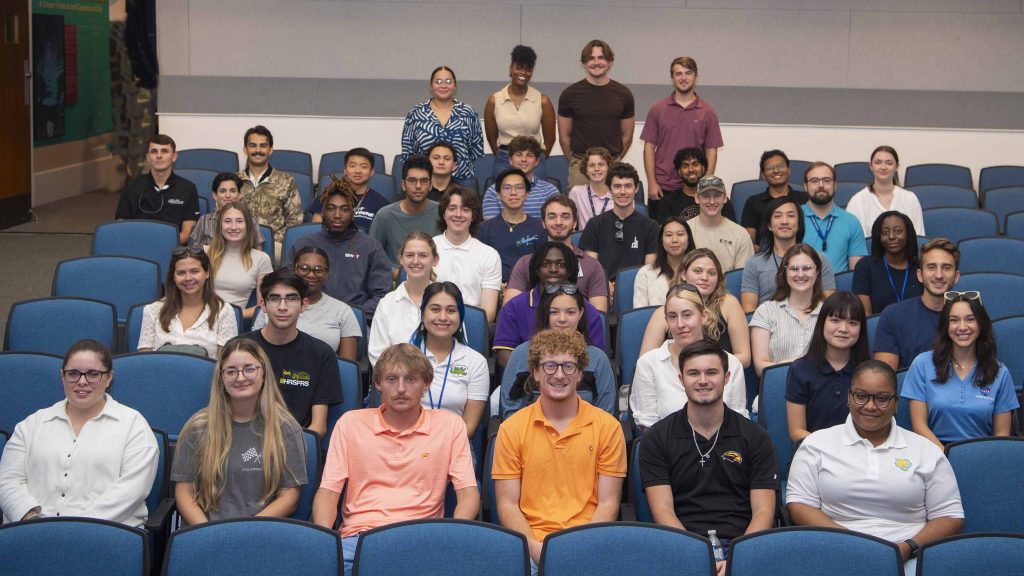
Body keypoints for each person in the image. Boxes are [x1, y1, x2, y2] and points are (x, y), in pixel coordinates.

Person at [312, 344, 479, 576]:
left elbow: (468, 495)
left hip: (423, 539)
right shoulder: (350, 423)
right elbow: (329, 492)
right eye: (391, 379)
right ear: (378, 383)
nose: (401, 388)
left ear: (426, 384)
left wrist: (447, 540)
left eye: (411, 379)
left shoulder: (450, 425)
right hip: (359, 538)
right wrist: (323, 545)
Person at [787, 360, 964, 571]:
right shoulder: (816, 444)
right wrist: (848, 543)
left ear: (896, 403)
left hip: (906, 556)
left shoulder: (926, 451)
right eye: (861, 396)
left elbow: (949, 516)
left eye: (882, 399)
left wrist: (907, 547)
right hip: (835, 550)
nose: (870, 406)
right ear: (849, 397)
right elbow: (799, 504)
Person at [493, 329, 626, 571]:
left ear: (579, 374)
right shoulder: (511, 429)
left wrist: (577, 550)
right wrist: (537, 550)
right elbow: (507, 505)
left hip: (589, 545)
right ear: (535, 372)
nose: (559, 375)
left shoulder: (608, 427)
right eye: (549, 366)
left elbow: (608, 503)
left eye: (568, 366)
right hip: (531, 547)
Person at [640, 341, 776, 574]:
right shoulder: (657, 438)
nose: (703, 380)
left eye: (711, 372)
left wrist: (738, 558)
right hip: (680, 545)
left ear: (726, 377)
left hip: (742, 545)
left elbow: (763, 512)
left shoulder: (756, 437)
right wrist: (696, 557)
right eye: (693, 373)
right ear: (681, 379)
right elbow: (662, 510)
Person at [0, 339, 158, 526]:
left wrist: (77, 529)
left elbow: (133, 489)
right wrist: (32, 521)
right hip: (32, 532)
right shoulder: (32, 424)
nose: (82, 382)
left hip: (106, 534)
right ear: (62, 376)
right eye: (73, 374)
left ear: (109, 378)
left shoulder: (134, 425)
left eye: (93, 374)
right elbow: (7, 480)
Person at [172, 338, 308, 524]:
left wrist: (243, 532)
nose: (241, 377)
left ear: (264, 373)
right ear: (221, 377)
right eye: (231, 371)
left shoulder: (285, 428)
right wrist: (205, 532)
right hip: (205, 531)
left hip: (260, 531)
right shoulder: (197, 428)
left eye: (250, 369)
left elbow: (289, 497)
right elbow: (184, 493)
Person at [901, 293, 1018, 448]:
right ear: (945, 326)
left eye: (970, 319)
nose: (962, 327)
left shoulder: (1000, 372)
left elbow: (1001, 435)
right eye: (954, 320)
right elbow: (919, 427)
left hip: (983, 457)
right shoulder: (922, 364)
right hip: (934, 454)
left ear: (981, 324)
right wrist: (948, 458)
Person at [236, 270, 342, 440]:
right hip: (242, 441)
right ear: (263, 304)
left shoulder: (321, 354)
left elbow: (318, 427)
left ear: (304, 305)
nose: (283, 307)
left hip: (293, 445)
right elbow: (224, 411)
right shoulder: (238, 349)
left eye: (292, 299)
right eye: (275, 298)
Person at [631, 284, 748, 431]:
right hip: (668, 450)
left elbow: (737, 422)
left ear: (704, 316)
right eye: (672, 317)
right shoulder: (649, 364)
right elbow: (647, 427)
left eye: (687, 315)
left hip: (721, 448)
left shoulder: (731, 363)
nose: (680, 324)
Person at [500, 287, 616, 418]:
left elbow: (605, 416)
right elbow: (511, 414)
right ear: (545, 314)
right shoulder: (521, 355)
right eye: (554, 312)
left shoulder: (598, 359)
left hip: (587, 436)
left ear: (581, 313)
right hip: (530, 435)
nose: (562, 319)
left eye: (570, 312)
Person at [287, 178, 391, 322]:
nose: (337, 215)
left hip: (355, 320)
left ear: (353, 213)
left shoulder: (371, 247)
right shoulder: (302, 245)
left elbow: (382, 295)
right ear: (322, 212)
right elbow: (286, 286)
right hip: (307, 318)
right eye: (331, 208)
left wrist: (354, 315)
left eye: (345, 209)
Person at [494, 245, 606, 366]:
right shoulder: (514, 306)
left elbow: (595, 359)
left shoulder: (587, 310)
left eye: (561, 265)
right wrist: (543, 374)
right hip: (527, 379)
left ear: (570, 271)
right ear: (537, 270)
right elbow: (504, 356)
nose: (553, 269)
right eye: (545, 264)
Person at [640, 248, 751, 368]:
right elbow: (645, 362)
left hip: (720, 379)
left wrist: (705, 368)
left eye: (711, 273)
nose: (705, 277)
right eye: (697, 271)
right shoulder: (662, 313)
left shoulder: (729, 304)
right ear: (683, 274)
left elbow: (744, 357)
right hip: (674, 380)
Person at [785, 292, 871, 443]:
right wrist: (832, 449)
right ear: (822, 323)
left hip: (860, 452)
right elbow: (796, 431)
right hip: (815, 453)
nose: (843, 329)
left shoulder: (868, 372)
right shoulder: (800, 369)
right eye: (835, 320)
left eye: (852, 323)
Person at [409, 282, 489, 438]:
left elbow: (469, 427)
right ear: (423, 314)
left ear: (461, 316)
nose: (443, 317)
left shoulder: (476, 362)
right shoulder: (402, 357)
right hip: (406, 443)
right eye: (435, 309)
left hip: (454, 445)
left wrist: (438, 447)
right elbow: (392, 416)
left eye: (451, 310)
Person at [253, 247, 360, 362]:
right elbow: (254, 354)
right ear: (294, 269)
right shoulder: (273, 306)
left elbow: (347, 367)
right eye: (304, 268)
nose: (311, 275)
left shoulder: (343, 311)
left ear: (326, 274)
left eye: (319, 270)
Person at [505, 194, 609, 312]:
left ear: (575, 223)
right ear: (543, 223)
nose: (558, 222)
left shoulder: (592, 266)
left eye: (565, 217)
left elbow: (599, 314)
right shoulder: (526, 263)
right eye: (552, 217)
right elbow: (509, 310)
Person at [641, 56, 724, 203]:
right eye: (678, 74)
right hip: (662, 187)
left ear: (696, 77)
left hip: (694, 188)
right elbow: (649, 148)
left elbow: (711, 151)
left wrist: (704, 184)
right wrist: (652, 183)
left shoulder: (707, 112)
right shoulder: (657, 109)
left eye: (688, 73)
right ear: (672, 78)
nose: (683, 78)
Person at [558, 40, 635, 189]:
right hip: (580, 167)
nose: (596, 62)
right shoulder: (569, 94)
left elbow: (627, 136)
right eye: (591, 58)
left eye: (601, 58)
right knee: (579, 211)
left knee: (612, 210)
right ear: (584, 63)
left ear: (610, 61)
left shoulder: (624, 94)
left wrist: (611, 162)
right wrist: (581, 163)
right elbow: (564, 137)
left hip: (612, 166)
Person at [874, 238, 961, 370]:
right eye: (931, 267)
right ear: (920, 275)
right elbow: (884, 380)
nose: (939, 275)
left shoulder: (970, 318)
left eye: (946, 268)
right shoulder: (893, 316)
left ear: (956, 276)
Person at [741, 197, 837, 313]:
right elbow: (749, 309)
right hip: (769, 325)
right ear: (769, 225)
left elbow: (829, 305)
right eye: (777, 216)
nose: (784, 221)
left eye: (791, 215)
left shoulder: (819, 259)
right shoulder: (754, 263)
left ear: (799, 224)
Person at [138, 246, 237, 358]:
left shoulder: (224, 311)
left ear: (207, 273)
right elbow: (145, 361)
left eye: (194, 271)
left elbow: (225, 364)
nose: (188, 278)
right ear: (173, 277)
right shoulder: (152, 310)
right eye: (181, 273)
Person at [750, 244, 826, 377]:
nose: (800, 274)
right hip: (779, 386)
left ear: (817, 271)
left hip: (820, 389)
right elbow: (760, 368)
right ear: (785, 272)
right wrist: (792, 366)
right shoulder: (766, 311)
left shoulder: (828, 312)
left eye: (807, 268)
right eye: (794, 268)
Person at [401, 66, 483, 187]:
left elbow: (475, 149)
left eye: (448, 82)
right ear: (431, 85)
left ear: (455, 85)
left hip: (462, 179)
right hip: (424, 181)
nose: (443, 86)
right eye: (438, 82)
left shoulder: (467, 112)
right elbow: (408, 151)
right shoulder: (416, 113)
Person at [484, 45, 556, 179]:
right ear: (510, 69)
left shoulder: (543, 101)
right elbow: (491, 138)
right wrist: (505, 156)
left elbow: (550, 139)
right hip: (504, 159)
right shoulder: (494, 100)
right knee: (502, 197)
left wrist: (535, 159)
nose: (523, 73)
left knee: (536, 199)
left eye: (528, 69)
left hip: (534, 160)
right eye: (519, 68)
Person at [433, 186, 501, 323]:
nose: (458, 214)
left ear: (473, 215)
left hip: (471, 328)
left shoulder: (489, 255)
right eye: (452, 208)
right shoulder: (428, 249)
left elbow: (488, 313)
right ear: (443, 213)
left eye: (465, 210)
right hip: (432, 325)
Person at [579, 162, 660, 279]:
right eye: (617, 186)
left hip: (638, 288)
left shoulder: (651, 226)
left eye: (628, 186)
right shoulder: (594, 224)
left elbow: (649, 271)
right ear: (610, 189)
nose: (623, 192)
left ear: (636, 188)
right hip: (602, 288)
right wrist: (605, 285)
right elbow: (592, 268)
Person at [115, 134, 199, 245]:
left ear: (174, 156)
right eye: (154, 151)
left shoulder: (188, 188)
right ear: (148, 157)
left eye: (164, 151)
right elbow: (121, 227)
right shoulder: (131, 187)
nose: (159, 156)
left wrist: (159, 244)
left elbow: (187, 233)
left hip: (172, 249)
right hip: (137, 246)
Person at [368, 232, 437, 366]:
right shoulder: (387, 303)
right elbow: (378, 356)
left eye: (423, 255)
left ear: (435, 259)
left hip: (441, 380)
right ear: (401, 259)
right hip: (397, 382)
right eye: (410, 255)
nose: (415, 261)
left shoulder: (446, 300)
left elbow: (455, 350)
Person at [370, 155, 440, 268]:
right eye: (412, 180)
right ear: (403, 185)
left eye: (423, 181)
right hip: (394, 281)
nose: (418, 186)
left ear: (430, 185)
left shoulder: (442, 212)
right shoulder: (385, 215)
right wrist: (394, 274)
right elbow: (372, 256)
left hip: (434, 278)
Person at [238, 125, 302, 247]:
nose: (258, 150)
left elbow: (295, 221)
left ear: (270, 150)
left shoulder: (286, 181)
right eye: (253, 145)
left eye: (263, 146)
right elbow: (220, 214)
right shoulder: (233, 181)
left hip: (273, 244)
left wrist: (269, 240)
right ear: (245, 150)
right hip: (237, 243)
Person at [477, 168, 545, 282]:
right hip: (493, 288)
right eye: (507, 188)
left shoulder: (539, 228)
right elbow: (479, 265)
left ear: (527, 194)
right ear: (498, 194)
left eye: (519, 187)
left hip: (529, 289)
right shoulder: (484, 228)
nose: (513, 192)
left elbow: (542, 266)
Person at [208, 202, 273, 320]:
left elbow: (263, 307)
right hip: (201, 316)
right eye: (227, 221)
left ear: (247, 225)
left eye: (239, 221)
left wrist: (234, 316)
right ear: (220, 226)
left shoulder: (261, 259)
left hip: (233, 320)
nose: (233, 227)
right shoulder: (205, 253)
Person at [852, 211, 923, 316]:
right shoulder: (865, 267)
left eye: (898, 231)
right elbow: (866, 317)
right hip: (878, 330)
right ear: (878, 237)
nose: (891, 236)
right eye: (884, 233)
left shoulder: (920, 266)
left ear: (908, 235)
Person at [845, 146, 926, 238]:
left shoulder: (910, 198)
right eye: (878, 162)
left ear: (897, 167)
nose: (883, 167)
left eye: (889, 163)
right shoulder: (857, 201)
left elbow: (918, 239)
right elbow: (854, 243)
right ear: (871, 166)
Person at [801, 162, 867, 273]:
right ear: (805, 186)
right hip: (800, 286)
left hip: (838, 289)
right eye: (814, 181)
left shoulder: (851, 222)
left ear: (835, 185)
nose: (821, 185)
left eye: (827, 180)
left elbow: (855, 273)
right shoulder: (793, 218)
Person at [649, 147, 736, 225]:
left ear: (703, 168)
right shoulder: (668, 202)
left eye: (695, 164)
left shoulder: (718, 199)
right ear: (679, 172)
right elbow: (665, 234)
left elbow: (731, 230)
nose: (691, 169)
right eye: (685, 165)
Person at [309, 148, 389, 232]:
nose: (357, 171)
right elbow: (316, 231)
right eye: (352, 166)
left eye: (364, 167)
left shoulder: (381, 204)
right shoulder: (328, 196)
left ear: (372, 172)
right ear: (345, 170)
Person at [740, 150, 809, 247]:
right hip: (766, 257)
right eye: (769, 168)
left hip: (800, 254)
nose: (776, 170)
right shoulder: (753, 202)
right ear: (763, 175)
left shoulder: (806, 199)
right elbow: (749, 242)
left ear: (789, 170)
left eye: (781, 166)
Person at [482, 136, 559, 220]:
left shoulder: (550, 191)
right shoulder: (493, 191)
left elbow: (554, 224)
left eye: (529, 155)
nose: (524, 159)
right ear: (510, 160)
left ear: (537, 161)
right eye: (518, 155)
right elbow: (490, 228)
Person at [687, 176, 753, 273]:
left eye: (717, 195)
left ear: (725, 197)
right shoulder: (685, 230)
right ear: (697, 198)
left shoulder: (740, 234)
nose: (712, 201)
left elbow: (743, 278)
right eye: (706, 196)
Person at [188, 172, 265, 249]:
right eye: (222, 191)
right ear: (215, 195)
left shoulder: (250, 221)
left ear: (239, 195)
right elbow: (195, 253)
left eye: (233, 191)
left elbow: (258, 253)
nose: (228, 195)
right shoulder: (204, 221)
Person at [633, 216, 695, 308]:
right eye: (669, 235)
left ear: (689, 238)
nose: (674, 240)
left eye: (680, 234)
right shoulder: (646, 273)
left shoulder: (700, 272)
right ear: (661, 240)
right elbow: (641, 313)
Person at [567, 147, 614, 230]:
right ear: (586, 170)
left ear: (608, 168)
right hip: (584, 240)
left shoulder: (616, 195)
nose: (596, 169)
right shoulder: (577, 192)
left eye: (601, 165)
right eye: (591, 165)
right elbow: (569, 222)